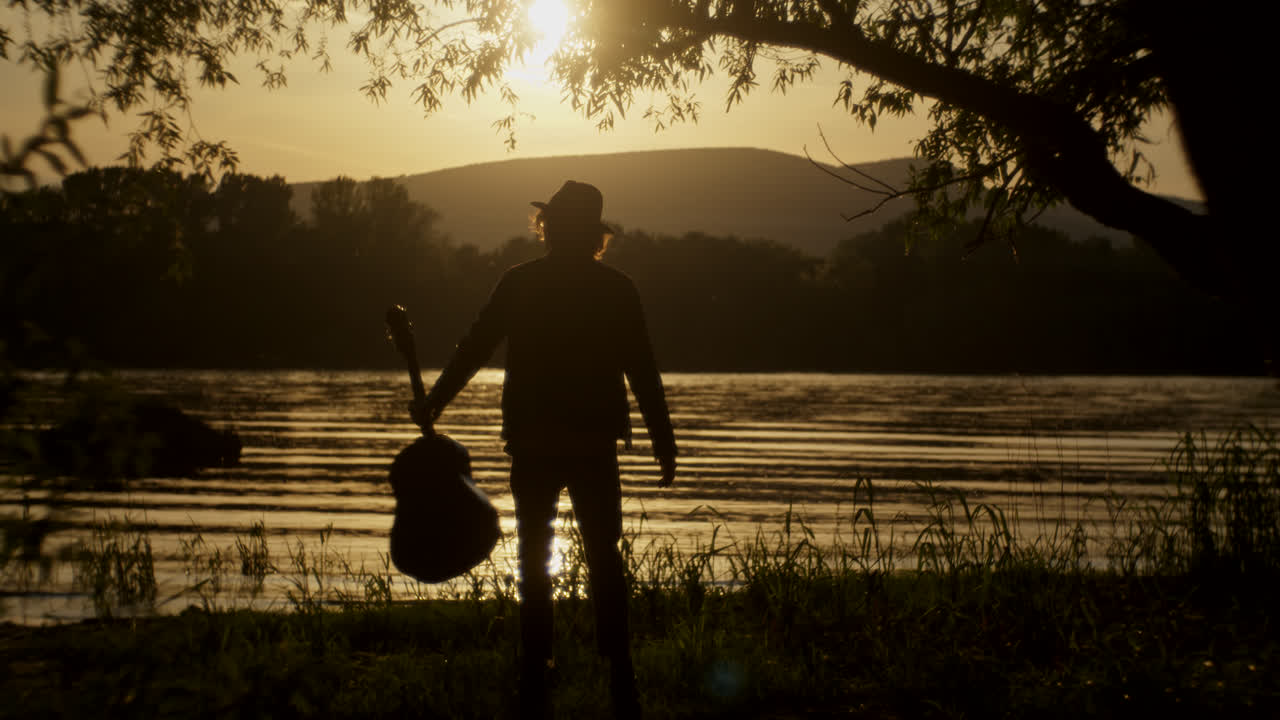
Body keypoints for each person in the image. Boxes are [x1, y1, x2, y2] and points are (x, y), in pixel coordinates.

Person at [412, 180, 677, 720]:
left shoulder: (521, 283)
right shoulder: (615, 288)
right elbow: (643, 370)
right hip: (588, 442)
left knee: (538, 559)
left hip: (538, 441)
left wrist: (437, 401)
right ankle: (616, 672)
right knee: (603, 556)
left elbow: (474, 346)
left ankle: (540, 668)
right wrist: (662, 439)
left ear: (554, 228)